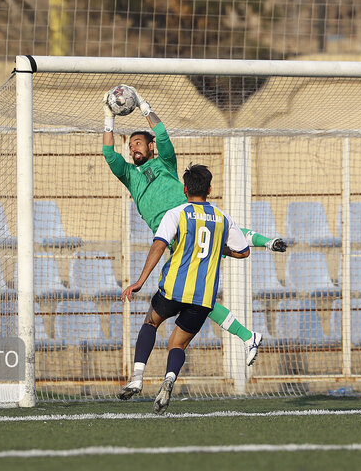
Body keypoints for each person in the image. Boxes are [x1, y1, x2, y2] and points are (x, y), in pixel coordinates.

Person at [102, 85, 285, 377]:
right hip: (180, 237)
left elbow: (162, 135)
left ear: (150, 148)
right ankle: (249, 333)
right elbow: (108, 154)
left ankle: (249, 329)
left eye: (139, 143)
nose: (133, 147)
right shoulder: (130, 176)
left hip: (186, 222)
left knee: (198, 289)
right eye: (131, 145)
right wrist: (108, 115)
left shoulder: (165, 162)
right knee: (200, 293)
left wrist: (143, 105)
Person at [122, 163, 250, 414]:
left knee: (150, 323)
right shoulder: (223, 218)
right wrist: (220, 249)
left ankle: (137, 377)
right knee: (177, 344)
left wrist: (140, 281)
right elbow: (244, 251)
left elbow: (159, 245)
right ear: (210, 189)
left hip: (174, 289)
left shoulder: (177, 213)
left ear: (184, 189)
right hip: (203, 297)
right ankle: (169, 379)